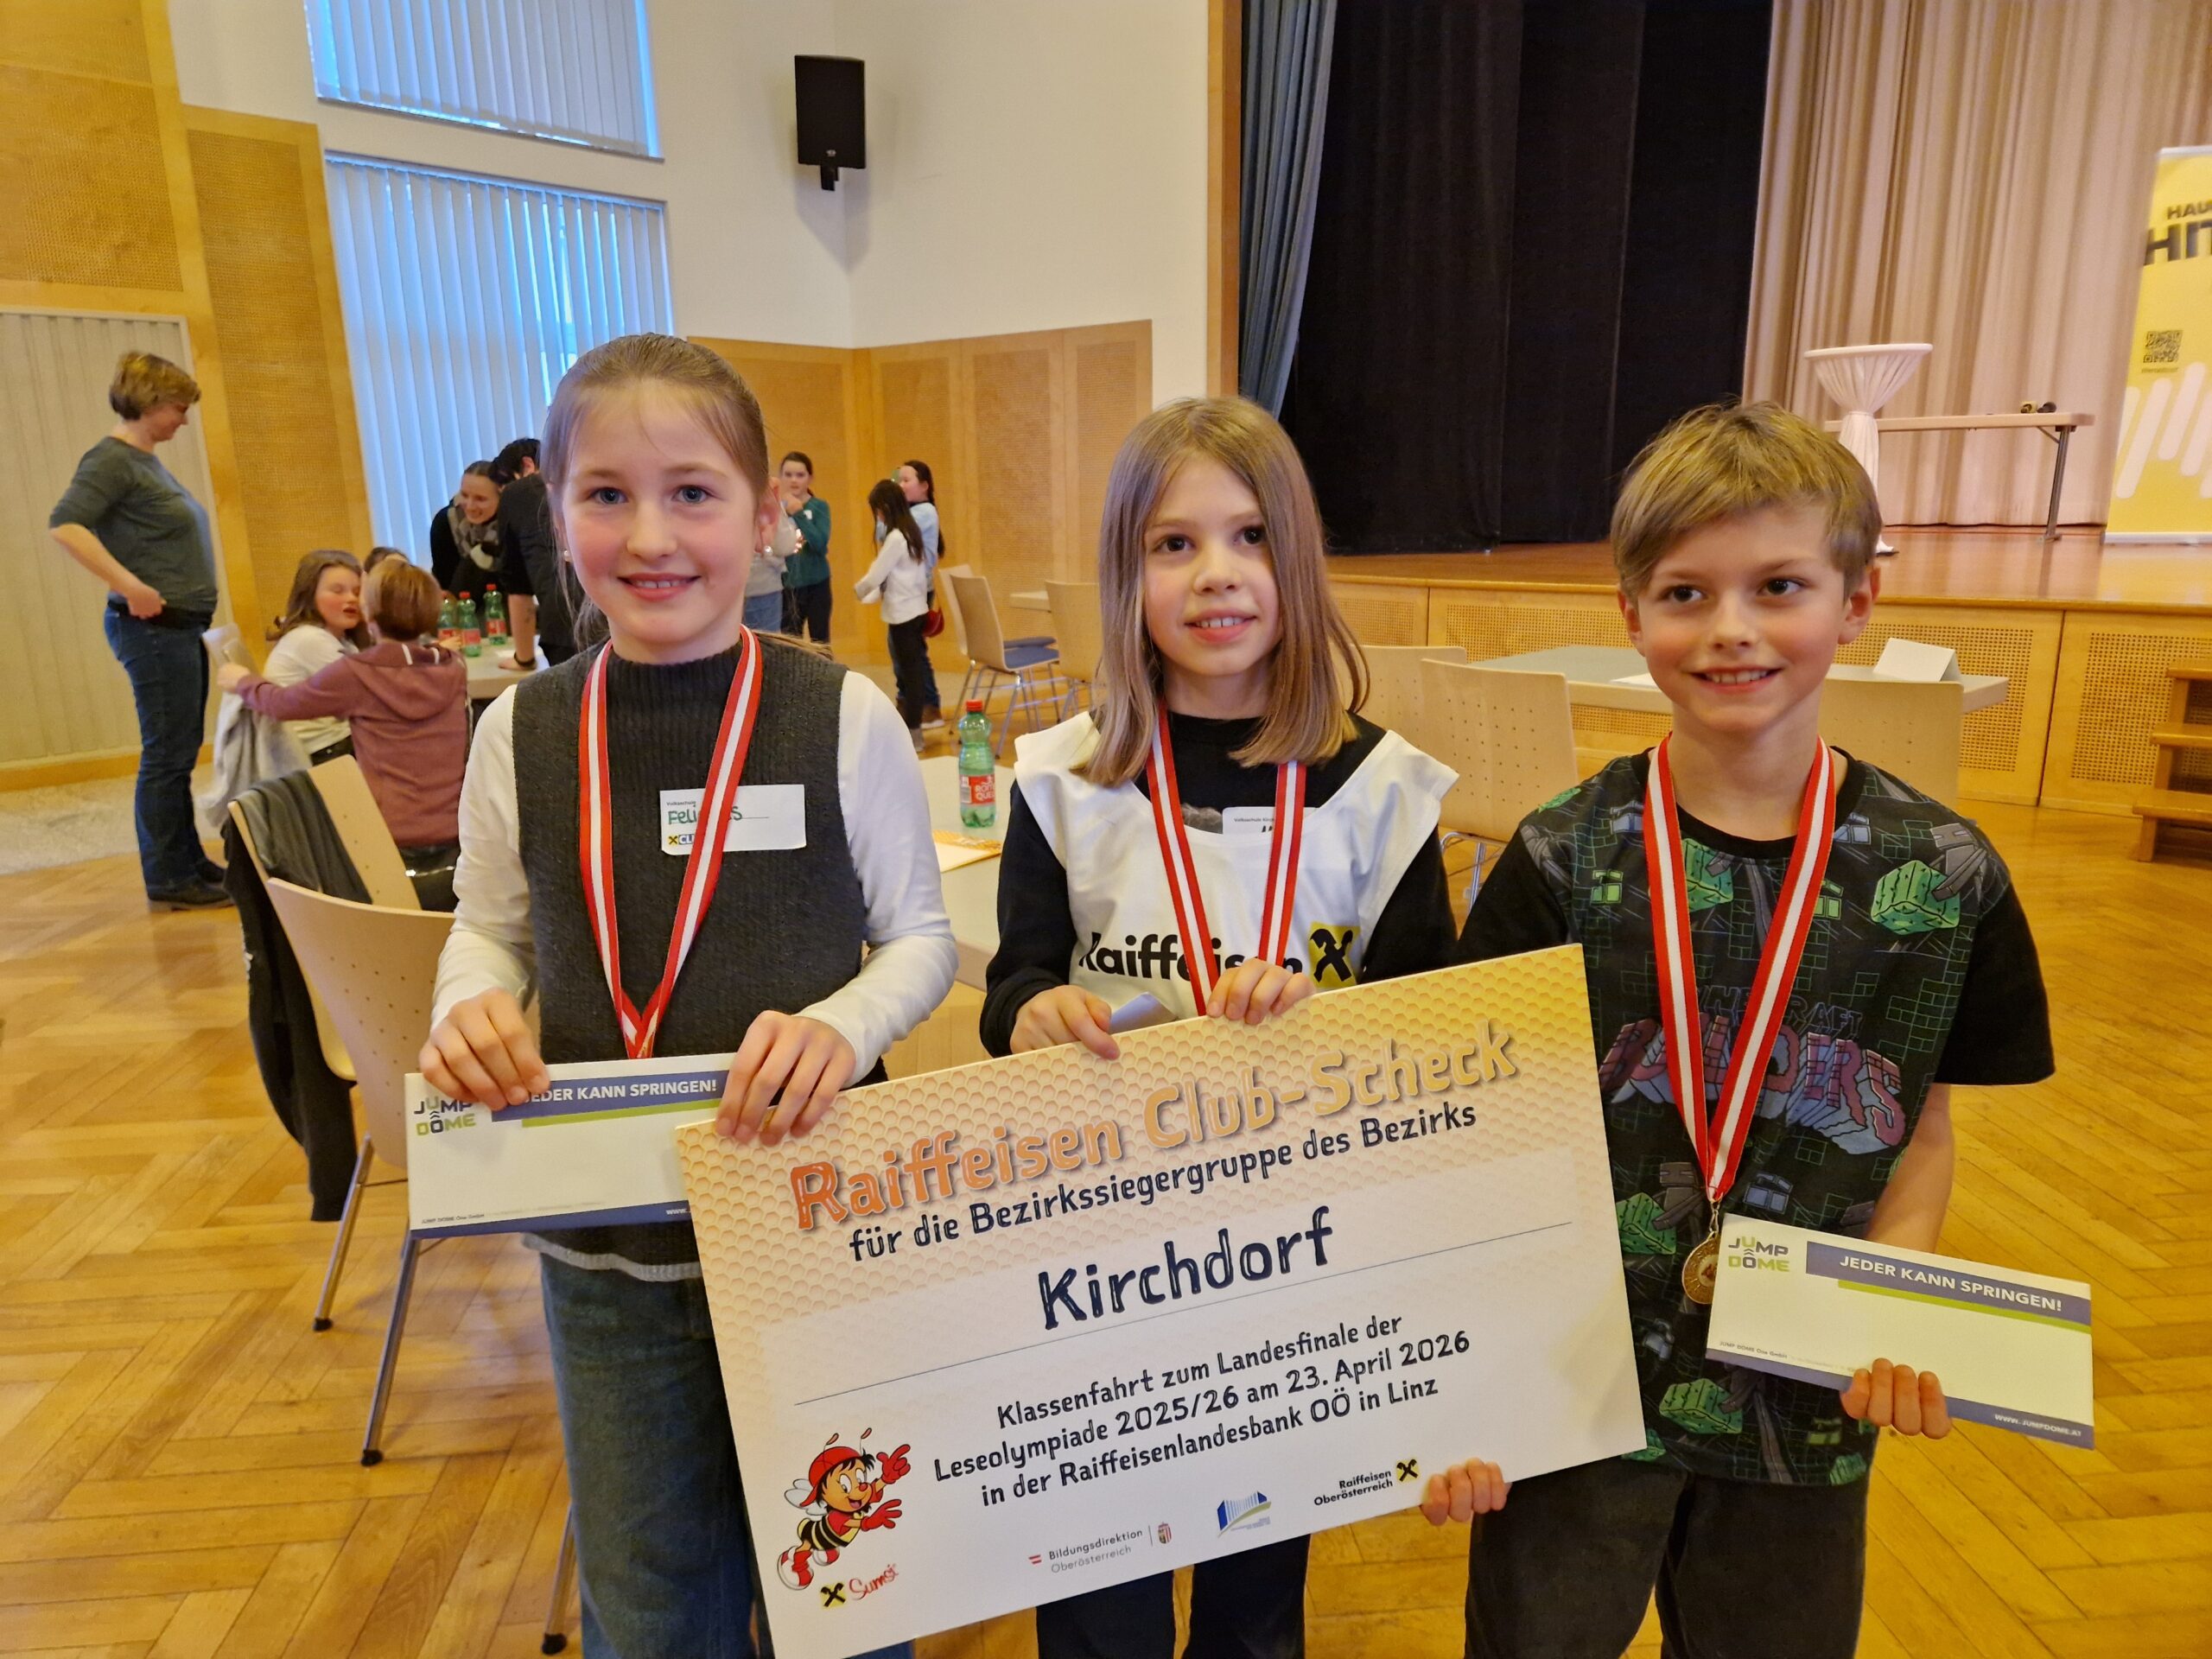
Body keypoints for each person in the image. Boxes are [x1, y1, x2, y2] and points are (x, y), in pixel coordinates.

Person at [1437, 402, 2054, 1658]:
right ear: (1631, 615)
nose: (1730, 629)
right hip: (1575, 1387)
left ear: (1856, 600)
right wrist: (1467, 1364)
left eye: (1778, 586)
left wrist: (1891, 1307)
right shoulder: (1560, 857)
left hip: (1802, 1395)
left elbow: (1920, 1129)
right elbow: (1483, 1136)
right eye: (1686, 593)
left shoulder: (1945, 874)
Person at [417, 333, 954, 1659]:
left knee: (848, 1595)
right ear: (557, 515)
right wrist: (468, 1003)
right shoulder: (521, 729)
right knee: (652, 1604)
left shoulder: (842, 714)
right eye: (607, 494)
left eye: (694, 493)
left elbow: (918, 940)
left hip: (818, 1228)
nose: (652, 535)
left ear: (766, 515)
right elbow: (489, 929)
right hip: (606, 1254)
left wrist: (843, 1025)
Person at [982, 397, 1457, 1659]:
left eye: (1249, 537)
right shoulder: (1063, 775)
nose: (1215, 575)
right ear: (1124, 573)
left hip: (1294, 1254)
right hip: (1102, 1248)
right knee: (1100, 1601)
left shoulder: (1382, 790)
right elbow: (1014, 980)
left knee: (1255, 1604)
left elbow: (1432, 1029)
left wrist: (1327, 1022)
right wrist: (1032, 1012)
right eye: (1172, 545)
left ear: (1295, 559)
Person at [48, 350, 229, 909]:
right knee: (166, 755)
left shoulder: (145, 462)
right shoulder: (111, 460)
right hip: (153, 630)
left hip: (181, 626)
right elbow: (65, 525)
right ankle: (169, 877)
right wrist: (131, 585)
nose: (184, 419)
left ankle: (188, 862)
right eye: (178, 407)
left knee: (180, 751)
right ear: (149, 402)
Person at [222, 562, 470, 910]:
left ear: (370, 612)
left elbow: (281, 704)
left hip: (387, 838)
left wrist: (243, 681)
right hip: (457, 832)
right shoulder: (454, 665)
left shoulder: (356, 674)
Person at [261, 550, 373, 765]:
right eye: (337, 591)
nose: (351, 598)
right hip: (323, 753)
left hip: (334, 742)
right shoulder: (310, 639)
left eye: (357, 592)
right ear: (309, 595)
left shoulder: (340, 639)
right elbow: (369, 699)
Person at [857, 479, 933, 743]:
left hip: (903, 615)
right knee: (912, 671)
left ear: (886, 508)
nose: (877, 515)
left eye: (878, 510)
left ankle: (914, 731)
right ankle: (913, 727)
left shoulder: (896, 538)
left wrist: (859, 590)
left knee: (909, 674)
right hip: (915, 610)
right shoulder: (910, 533)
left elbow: (877, 574)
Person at [493, 436, 576, 667]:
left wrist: (524, 658)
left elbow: (517, 587)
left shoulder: (517, 493)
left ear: (527, 464)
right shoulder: (585, 480)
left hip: (564, 626)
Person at [895, 459, 945, 726]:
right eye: (898, 481)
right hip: (904, 590)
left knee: (912, 651)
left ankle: (928, 704)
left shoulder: (924, 512)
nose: (901, 485)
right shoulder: (910, 512)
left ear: (924, 486)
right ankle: (907, 700)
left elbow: (891, 532)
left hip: (916, 590)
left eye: (906, 480)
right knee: (901, 650)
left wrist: (888, 509)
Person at [778, 449, 832, 643]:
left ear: (810, 478)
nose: (794, 480)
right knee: (791, 644)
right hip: (786, 586)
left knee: (820, 641)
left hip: (817, 584)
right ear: (781, 477)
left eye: (800, 475)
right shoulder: (774, 509)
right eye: (788, 474)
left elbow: (819, 544)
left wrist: (798, 514)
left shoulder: (819, 507)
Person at [429, 461, 503, 595]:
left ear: (500, 498)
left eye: (480, 499)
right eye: (464, 495)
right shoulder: (445, 522)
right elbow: (443, 583)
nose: (470, 506)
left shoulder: (514, 522)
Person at [746, 485, 796, 634]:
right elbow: (785, 545)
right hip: (750, 588)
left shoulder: (768, 497)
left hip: (764, 589)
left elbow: (786, 545)